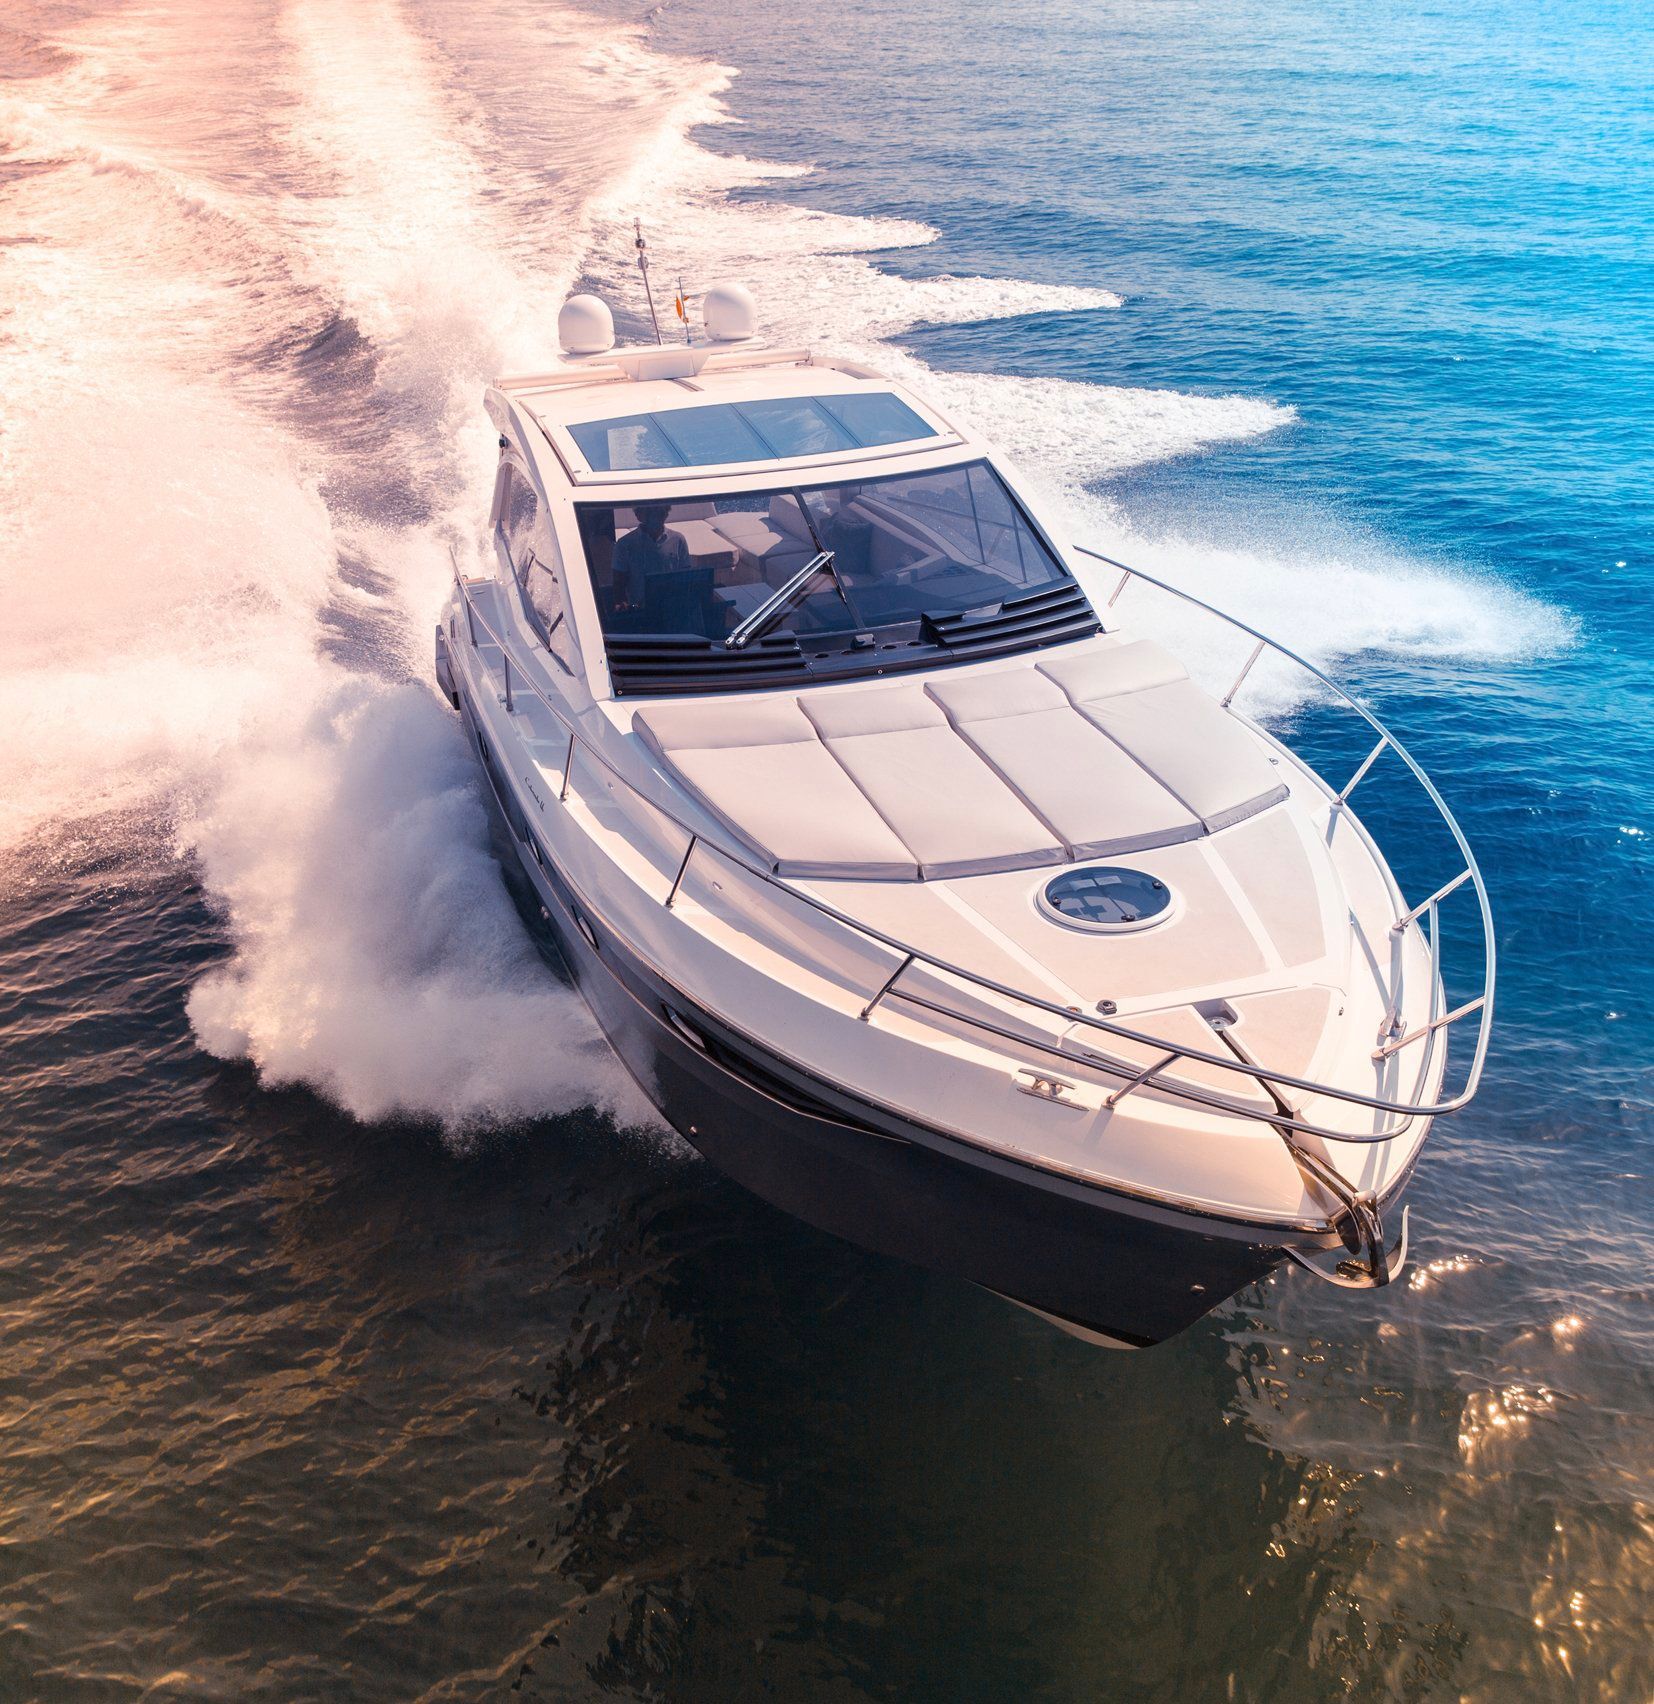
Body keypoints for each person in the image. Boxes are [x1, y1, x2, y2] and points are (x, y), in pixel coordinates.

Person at [612, 503, 690, 612]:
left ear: (666, 513)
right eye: (649, 511)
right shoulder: (624, 545)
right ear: (638, 515)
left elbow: (686, 580)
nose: (655, 515)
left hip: (672, 610)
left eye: (659, 511)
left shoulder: (678, 540)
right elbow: (618, 586)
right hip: (640, 612)